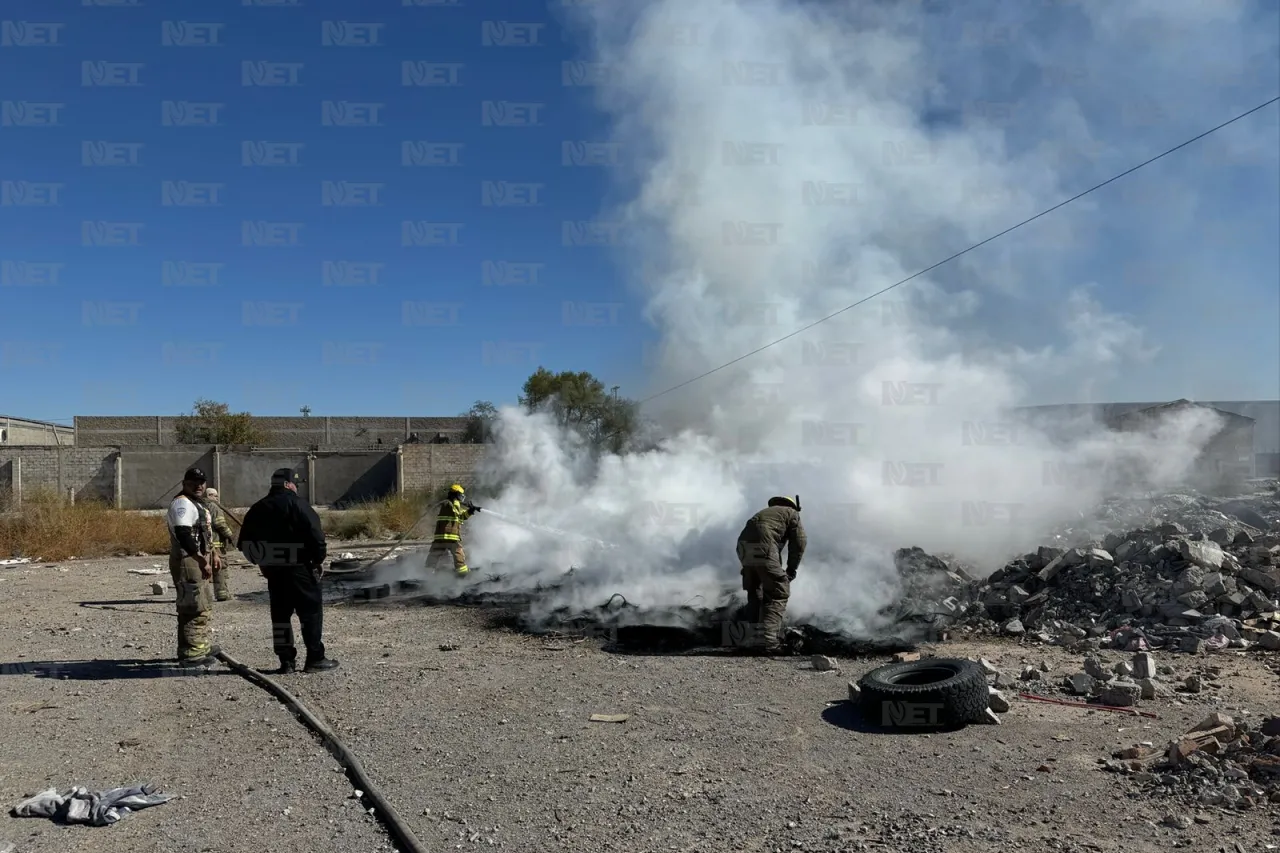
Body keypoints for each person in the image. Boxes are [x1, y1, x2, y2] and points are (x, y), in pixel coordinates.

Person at [236, 468, 338, 674]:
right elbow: (316, 536)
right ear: (287, 484)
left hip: (274, 571)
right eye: (295, 484)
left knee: (281, 617)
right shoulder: (299, 504)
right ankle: (315, 658)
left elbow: (245, 544)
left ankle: (286, 662)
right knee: (310, 614)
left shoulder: (257, 508)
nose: (296, 487)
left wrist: (262, 562)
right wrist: (317, 560)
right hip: (300, 568)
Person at [735, 495, 807, 655]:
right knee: (778, 592)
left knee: (755, 593)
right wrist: (791, 570)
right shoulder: (791, 513)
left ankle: (751, 639)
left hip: (743, 549)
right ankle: (767, 643)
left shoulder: (765, 513)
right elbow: (799, 543)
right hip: (763, 548)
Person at [165, 467, 220, 666]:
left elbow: (204, 533)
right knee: (192, 606)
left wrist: (212, 554)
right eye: (193, 482)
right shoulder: (182, 504)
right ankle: (191, 653)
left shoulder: (198, 504)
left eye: (202, 482)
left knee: (203, 603)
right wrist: (201, 560)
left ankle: (200, 645)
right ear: (184, 483)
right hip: (188, 560)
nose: (199, 486)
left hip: (197, 558)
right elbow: (184, 534)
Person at [427, 483, 481, 576]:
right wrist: (466, 506)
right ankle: (463, 574)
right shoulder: (449, 504)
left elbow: (460, 517)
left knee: (434, 555)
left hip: (440, 537)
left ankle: (426, 574)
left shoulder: (450, 505)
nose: (462, 498)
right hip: (451, 538)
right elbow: (455, 512)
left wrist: (470, 511)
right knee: (459, 556)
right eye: (461, 496)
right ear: (457, 495)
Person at [201, 487, 237, 602]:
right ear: (210, 496)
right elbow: (220, 524)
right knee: (220, 566)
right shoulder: (214, 506)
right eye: (215, 496)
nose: (217, 498)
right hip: (216, 542)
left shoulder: (199, 506)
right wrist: (230, 536)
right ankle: (222, 593)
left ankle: (202, 595)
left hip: (203, 543)